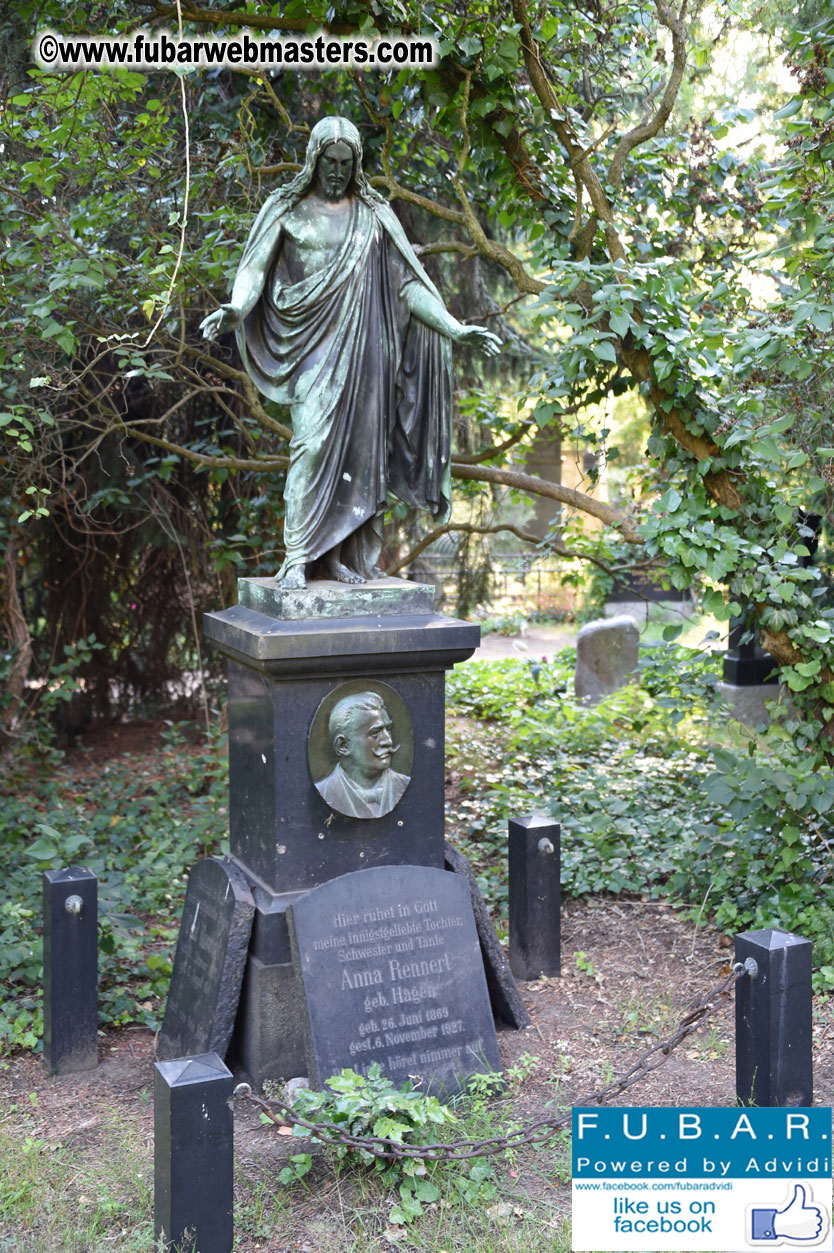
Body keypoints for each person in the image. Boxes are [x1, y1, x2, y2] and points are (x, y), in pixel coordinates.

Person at [200, 116, 500, 588]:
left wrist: (454, 328)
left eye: (346, 163)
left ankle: (338, 559)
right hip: (311, 353)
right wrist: (237, 308)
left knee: (362, 459)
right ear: (314, 159)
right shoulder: (286, 209)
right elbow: (254, 270)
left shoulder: (374, 215)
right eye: (329, 162)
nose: (337, 172)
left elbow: (407, 288)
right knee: (312, 445)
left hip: (367, 354)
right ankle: (297, 556)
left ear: (357, 164)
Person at [314, 691, 409, 819]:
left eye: (388, 729)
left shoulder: (404, 785)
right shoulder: (324, 791)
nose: (388, 741)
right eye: (375, 733)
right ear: (343, 746)